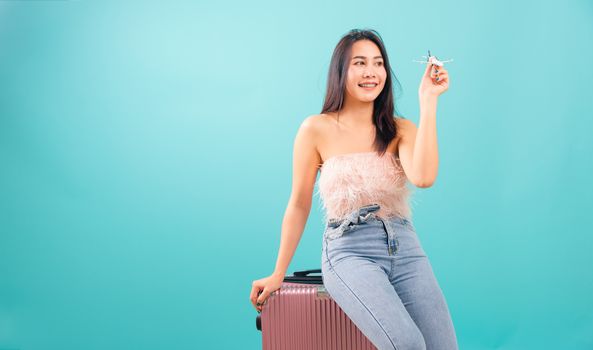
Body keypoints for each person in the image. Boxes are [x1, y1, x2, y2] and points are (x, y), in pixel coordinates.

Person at [250, 28, 458, 350]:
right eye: (359, 63)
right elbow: (299, 203)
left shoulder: (400, 129)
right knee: (407, 344)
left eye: (378, 63)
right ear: (341, 71)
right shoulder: (315, 129)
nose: (371, 72)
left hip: (405, 248)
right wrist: (279, 271)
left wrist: (428, 102)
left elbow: (424, 177)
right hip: (350, 251)